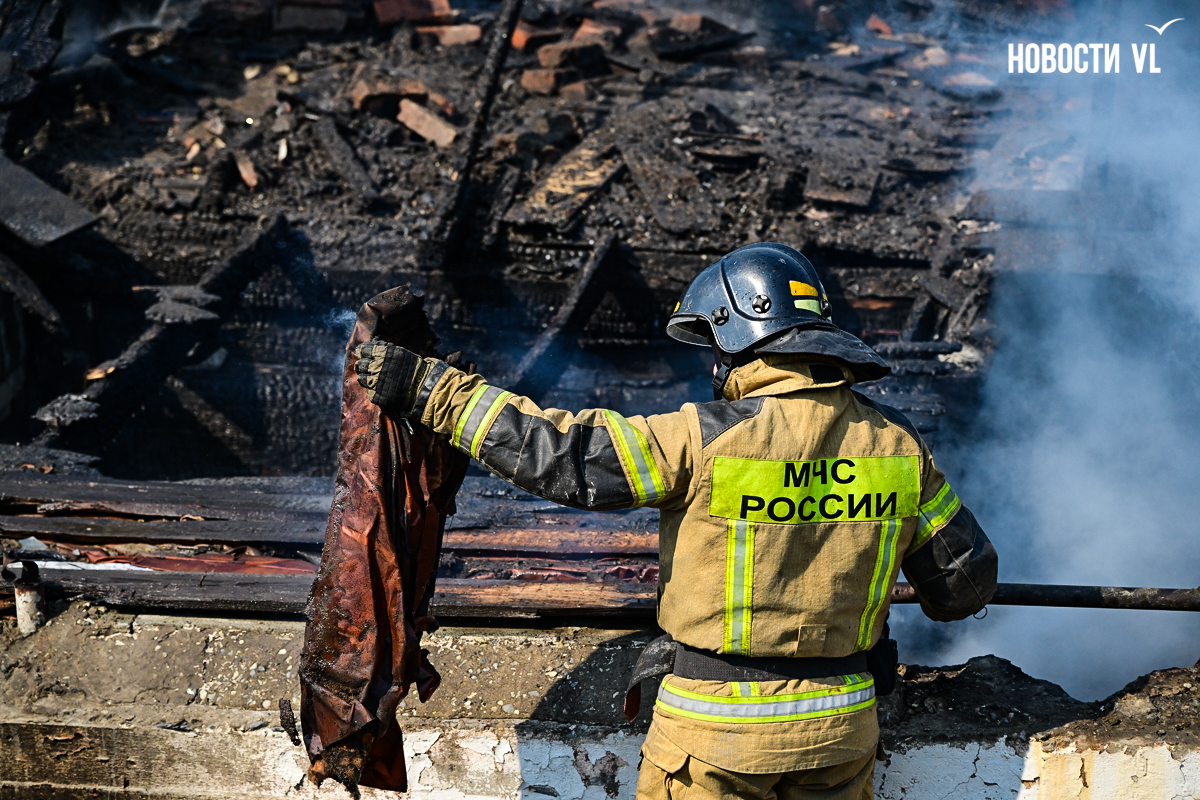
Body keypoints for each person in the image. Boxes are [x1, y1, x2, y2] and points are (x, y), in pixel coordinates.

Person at [353, 242, 998, 800]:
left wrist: (433, 390)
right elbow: (963, 588)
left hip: (711, 743)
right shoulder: (899, 445)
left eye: (714, 347)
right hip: (841, 738)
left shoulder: (703, 438)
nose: (713, 366)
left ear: (739, 339)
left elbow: (565, 458)